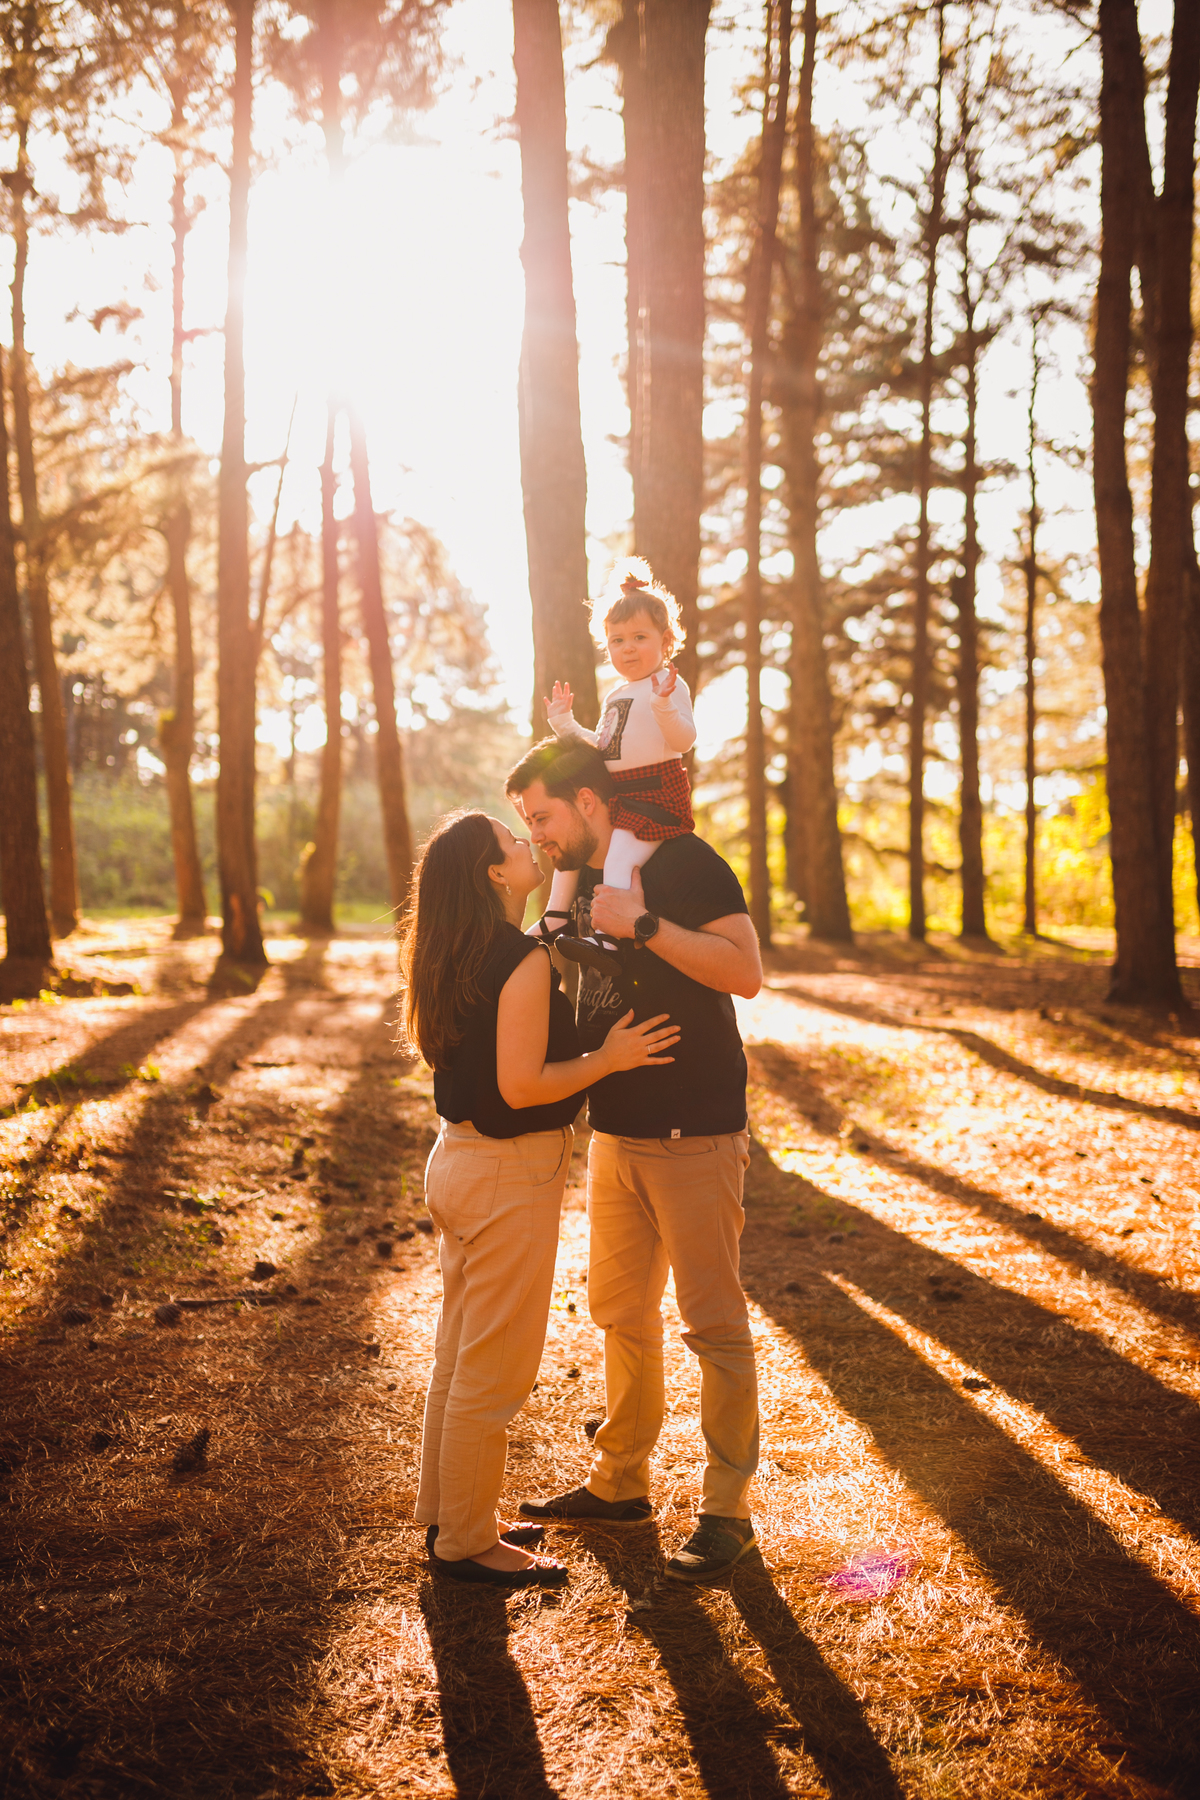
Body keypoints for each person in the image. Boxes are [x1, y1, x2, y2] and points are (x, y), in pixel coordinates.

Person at [505, 739, 765, 1585]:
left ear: (588, 803)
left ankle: (728, 1511)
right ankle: (621, 1482)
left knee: (714, 1326)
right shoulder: (574, 885)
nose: (538, 836)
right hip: (616, 1132)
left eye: (542, 817)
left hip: (697, 1133)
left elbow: (745, 971)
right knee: (621, 1313)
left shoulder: (683, 861)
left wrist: (645, 926)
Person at [399, 808, 679, 1591]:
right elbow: (524, 1086)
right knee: (494, 1371)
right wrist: (609, 1056)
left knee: (459, 1356)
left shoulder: (449, 948)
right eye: (514, 844)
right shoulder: (515, 960)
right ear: (494, 873)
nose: (529, 847)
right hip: (505, 1174)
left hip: (458, 1163)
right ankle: (465, 1545)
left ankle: (454, 1516)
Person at [529, 558, 696, 971]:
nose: (628, 648)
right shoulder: (616, 695)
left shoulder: (668, 685)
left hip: (655, 794)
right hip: (621, 795)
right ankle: (555, 914)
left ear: (666, 640)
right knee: (575, 838)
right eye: (618, 640)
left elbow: (684, 740)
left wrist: (662, 706)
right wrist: (564, 724)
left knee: (620, 860)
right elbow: (604, 748)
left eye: (639, 637)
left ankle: (607, 938)